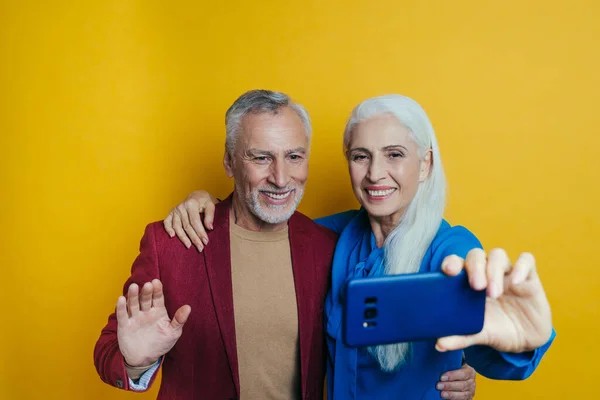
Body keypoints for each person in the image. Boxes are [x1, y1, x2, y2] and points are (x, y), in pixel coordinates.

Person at [164, 94, 556, 399]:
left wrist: (518, 347)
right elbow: (265, 223)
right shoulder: (332, 237)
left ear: (425, 164)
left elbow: (482, 331)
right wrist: (205, 201)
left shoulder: (450, 250)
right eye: (360, 156)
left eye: (395, 155)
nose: (375, 173)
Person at [94, 90, 340, 399]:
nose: (280, 178)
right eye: (261, 157)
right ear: (229, 161)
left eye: (294, 156)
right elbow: (108, 351)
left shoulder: (329, 248)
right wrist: (135, 363)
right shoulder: (173, 243)